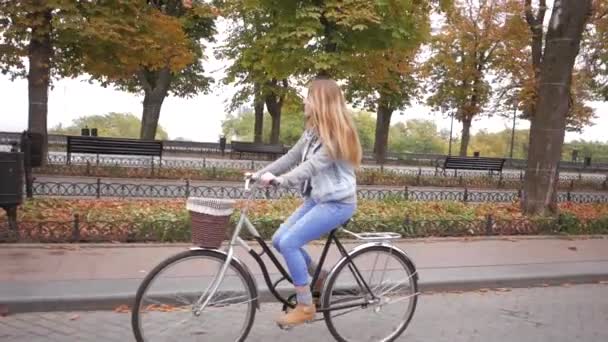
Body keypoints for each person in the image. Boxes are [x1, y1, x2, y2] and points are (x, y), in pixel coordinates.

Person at [253, 78, 362, 328]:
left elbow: (312, 165)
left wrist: (281, 181)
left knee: (291, 242)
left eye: (309, 96)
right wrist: (260, 175)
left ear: (321, 102)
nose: (305, 100)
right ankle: (320, 277)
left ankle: (305, 306)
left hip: (338, 203)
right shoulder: (313, 132)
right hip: (317, 199)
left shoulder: (338, 134)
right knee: (280, 240)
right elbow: (292, 157)